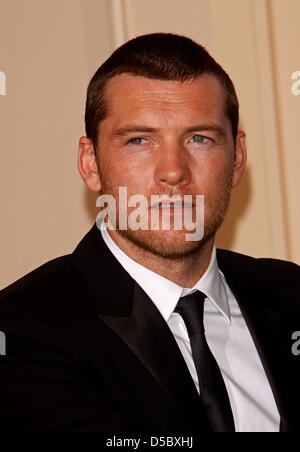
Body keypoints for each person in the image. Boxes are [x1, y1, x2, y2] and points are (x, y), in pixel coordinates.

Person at [0, 33, 299, 435]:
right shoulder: (21, 329)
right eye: (139, 141)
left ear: (237, 159)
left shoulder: (292, 294)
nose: (173, 171)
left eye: (200, 139)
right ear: (90, 163)